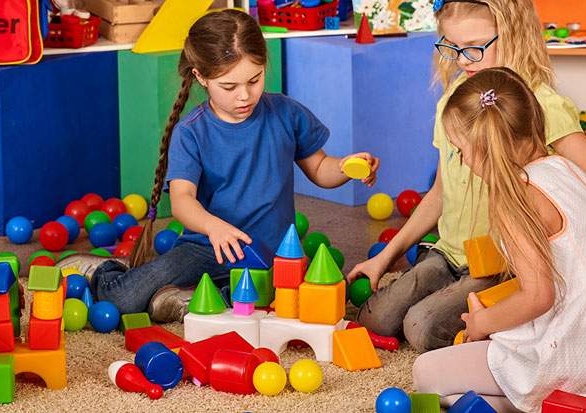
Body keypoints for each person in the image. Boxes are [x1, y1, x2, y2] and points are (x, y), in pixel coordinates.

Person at [346, 0, 586, 352]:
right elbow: (440, 192)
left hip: (504, 265)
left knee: (421, 329)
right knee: (375, 319)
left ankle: (514, 327)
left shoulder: (537, 105)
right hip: (449, 253)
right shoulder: (456, 101)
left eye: (474, 47)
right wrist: (386, 255)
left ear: (513, 34)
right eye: (451, 46)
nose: (463, 59)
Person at [87, 9, 379, 321]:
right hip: (206, 249)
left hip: (273, 255)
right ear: (201, 77)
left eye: (254, 80)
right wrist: (214, 228)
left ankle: (194, 296)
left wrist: (346, 167)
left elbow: (320, 169)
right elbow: (183, 200)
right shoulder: (191, 132)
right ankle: (102, 270)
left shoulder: (287, 113)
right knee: (124, 299)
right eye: (229, 87)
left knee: (268, 304)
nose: (245, 95)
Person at [412, 66, 586, 412]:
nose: (463, 160)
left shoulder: (515, 199)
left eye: (462, 150)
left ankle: (555, 403)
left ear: (488, 146)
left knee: (425, 374)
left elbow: (538, 296)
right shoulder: (571, 169)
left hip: (579, 359)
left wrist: (482, 322)